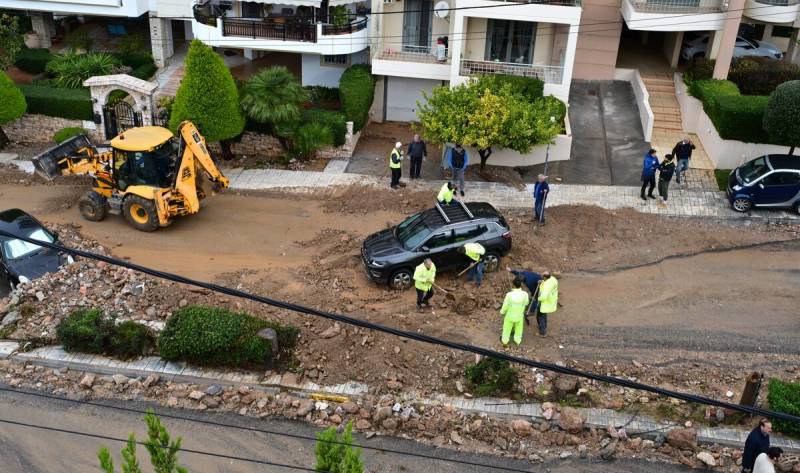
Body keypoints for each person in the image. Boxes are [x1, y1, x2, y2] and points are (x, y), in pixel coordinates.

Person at [500, 277, 529, 347]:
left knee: (507, 329)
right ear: (521, 285)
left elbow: (505, 305)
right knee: (519, 329)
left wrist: (502, 312)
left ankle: (505, 341)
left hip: (510, 316)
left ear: (513, 285)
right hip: (519, 315)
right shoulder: (525, 294)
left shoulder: (509, 295)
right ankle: (517, 341)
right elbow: (526, 303)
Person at [536, 271, 559, 336]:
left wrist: (537, 299)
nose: (542, 277)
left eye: (542, 276)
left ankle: (542, 332)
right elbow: (548, 282)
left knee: (540, 316)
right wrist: (542, 282)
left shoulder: (546, 286)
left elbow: (543, 297)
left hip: (545, 302)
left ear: (545, 277)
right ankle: (544, 326)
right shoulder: (553, 279)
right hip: (551, 300)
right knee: (544, 315)